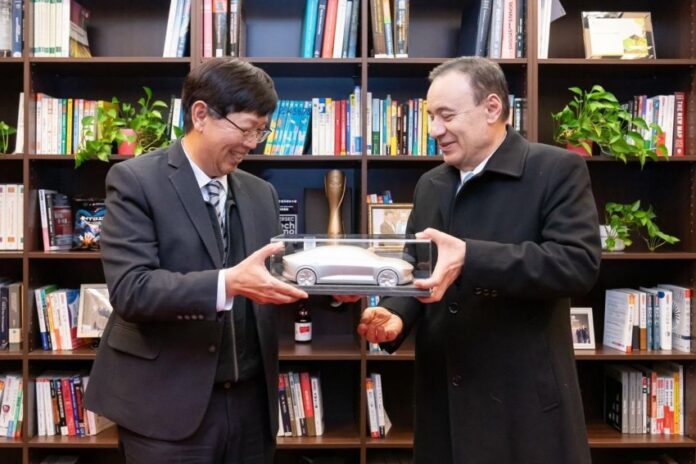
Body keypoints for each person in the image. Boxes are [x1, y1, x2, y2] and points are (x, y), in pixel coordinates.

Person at [357, 57, 601, 464]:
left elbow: (576, 264)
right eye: (431, 116)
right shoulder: (430, 184)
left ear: (492, 108)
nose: (435, 130)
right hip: (443, 403)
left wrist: (470, 257)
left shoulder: (556, 169)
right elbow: (416, 268)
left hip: (523, 409)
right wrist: (395, 314)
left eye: (446, 115)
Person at [84, 58, 308, 464]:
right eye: (245, 128)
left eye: (262, 130)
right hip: (165, 405)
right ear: (201, 114)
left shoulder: (261, 193)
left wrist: (332, 290)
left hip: (249, 406)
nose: (252, 143)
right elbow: (132, 290)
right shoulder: (135, 181)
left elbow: (275, 276)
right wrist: (227, 283)